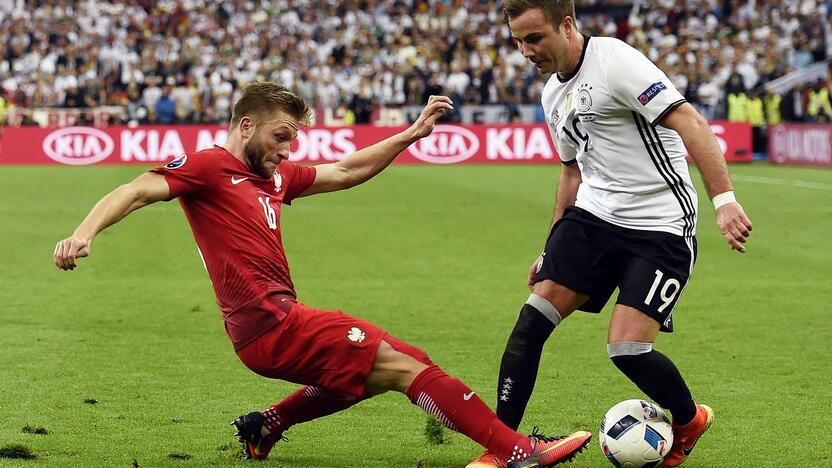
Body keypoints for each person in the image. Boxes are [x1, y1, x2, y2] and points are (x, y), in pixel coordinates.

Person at [53, 81, 591, 467]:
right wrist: (85, 233)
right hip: (269, 324)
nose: (289, 150)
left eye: (293, 141)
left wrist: (409, 135)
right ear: (246, 125)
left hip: (274, 323)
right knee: (404, 368)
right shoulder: (211, 166)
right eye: (281, 136)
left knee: (391, 368)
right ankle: (516, 452)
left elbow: (346, 169)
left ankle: (266, 425)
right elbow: (134, 189)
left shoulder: (274, 176)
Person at [466, 2, 753, 468]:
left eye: (534, 38)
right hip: (595, 218)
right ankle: (504, 450)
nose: (525, 51)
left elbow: (691, 124)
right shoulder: (551, 95)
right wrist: (550, 246)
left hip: (660, 224)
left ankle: (689, 420)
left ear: (567, 24)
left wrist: (724, 202)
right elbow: (570, 171)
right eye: (518, 40)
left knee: (627, 349)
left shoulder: (616, 62)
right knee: (529, 327)